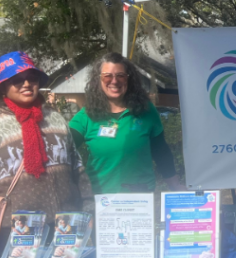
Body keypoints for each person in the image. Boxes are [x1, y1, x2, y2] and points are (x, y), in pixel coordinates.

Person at [0, 51, 92, 258]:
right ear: (2, 87)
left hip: (66, 223)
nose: (26, 84)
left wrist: (88, 208)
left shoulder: (55, 119)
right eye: (16, 80)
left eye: (31, 78)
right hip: (16, 227)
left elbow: (77, 168)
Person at [69, 52, 182, 194]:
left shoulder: (146, 110)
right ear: (98, 80)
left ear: (129, 79)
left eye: (120, 75)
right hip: (100, 199)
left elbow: (161, 151)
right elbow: (64, 149)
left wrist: (175, 185)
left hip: (140, 198)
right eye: (107, 76)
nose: (114, 81)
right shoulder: (86, 115)